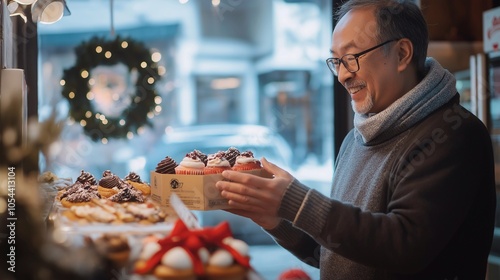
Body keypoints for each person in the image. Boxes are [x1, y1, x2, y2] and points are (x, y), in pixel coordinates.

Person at [215, 0, 497, 279]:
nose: (341, 75)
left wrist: (297, 202)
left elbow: (405, 246)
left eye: (351, 58)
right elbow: (339, 250)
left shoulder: (453, 135)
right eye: (336, 61)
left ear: (401, 54)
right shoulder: (355, 139)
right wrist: (277, 220)